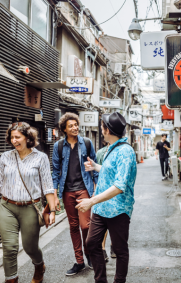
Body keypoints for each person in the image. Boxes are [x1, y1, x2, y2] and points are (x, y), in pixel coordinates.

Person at [0, 122, 56, 283]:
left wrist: (52, 210)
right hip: (7, 207)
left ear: (28, 138)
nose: (14, 140)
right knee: (9, 248)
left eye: (17, 137)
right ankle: (11, 280)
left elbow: (48, 186)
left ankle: (39, 265)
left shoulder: (40, 158)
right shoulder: (6, 157)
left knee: (30, 247)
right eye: (11, 137)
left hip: (30, 208)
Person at [76, 112, 137, 283]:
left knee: (120, 250)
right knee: (92, 244)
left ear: (108, 130)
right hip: (101, 209)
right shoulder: (113, 147)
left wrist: (91, 201)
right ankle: (100, 280)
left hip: (118, 209)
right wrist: (96, 167)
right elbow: (113, 171)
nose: (101, 131)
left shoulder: (125, 151)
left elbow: (119, 185)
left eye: (102, 127)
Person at [52, 112, 99, 276]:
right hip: (67, 191)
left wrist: (98, 188)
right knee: (73, 226)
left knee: (86, 225)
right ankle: (79, 261)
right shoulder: (58, 146)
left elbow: (94, 165)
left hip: (84, 189)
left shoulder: (86, 143)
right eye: (70, 126)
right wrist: (55, 194)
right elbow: (56, 171)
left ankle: (89, 254)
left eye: (76, 124)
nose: (75, 128)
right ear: (64, 129)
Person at [96, 142, 116, 262]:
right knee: (104, 220)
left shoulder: (121, 151)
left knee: (115, 220)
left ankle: (114, 246)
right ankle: (102, 249)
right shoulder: (100, 153)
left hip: (116, 190)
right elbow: (96, 173)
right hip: (103, 190)